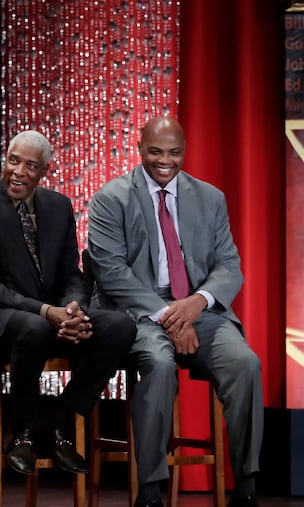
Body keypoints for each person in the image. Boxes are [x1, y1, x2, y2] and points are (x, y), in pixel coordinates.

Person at [87, 116, 263, 507]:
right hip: (139, 312)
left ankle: (247, 487)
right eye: (155, 151)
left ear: (185, 150)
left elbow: (229, 266)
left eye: (174, 152)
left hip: (198, 308)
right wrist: (169, 315)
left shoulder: (210, 197)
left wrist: (197, 303)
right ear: (140, 148)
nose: (164, 160)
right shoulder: (110, 198)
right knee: (159, 365)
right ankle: (149, 492)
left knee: (245, 364)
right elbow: (111, 274)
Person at [0, 129, 135, 476]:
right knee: (36, 326)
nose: (18, 172)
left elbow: (71, 272)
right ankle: (22, 429)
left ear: (44, 171)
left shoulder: (58, 205)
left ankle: (58, 420)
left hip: (51, 316)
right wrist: (45, 311)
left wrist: (72, 309)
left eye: (30, 166)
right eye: (13, 161)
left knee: (120, 326)